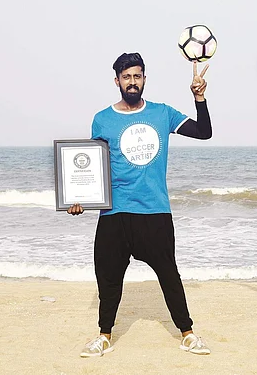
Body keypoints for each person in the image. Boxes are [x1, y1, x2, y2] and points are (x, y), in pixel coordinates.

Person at [68, 52, 212, 357]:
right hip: (114, 212)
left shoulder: (163, 113)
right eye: (126, 77)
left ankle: (187, 332)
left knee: (169, 275)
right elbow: (94, 167)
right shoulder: (102, 119)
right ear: (117, 81)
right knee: (107, 278)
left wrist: (200, 98)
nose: (132, 82)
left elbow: (204, 132)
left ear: (144, 79)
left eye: (137, 76)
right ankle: (104, 335)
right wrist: (79, 197)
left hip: (154, 211)